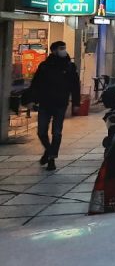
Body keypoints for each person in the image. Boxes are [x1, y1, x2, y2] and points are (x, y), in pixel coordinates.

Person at [29, 41, 81, 171]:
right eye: (61, 48)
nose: (64, 50)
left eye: (64, 48)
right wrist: (32, 100)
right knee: (41, 131)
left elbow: (75, 86)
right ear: (53, 51)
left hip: (60, 103)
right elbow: (36, 84)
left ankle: (51, 158)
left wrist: (76, 103)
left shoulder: (69, 66)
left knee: (56, 133)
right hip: (45, 103)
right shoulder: (45, 66)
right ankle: (49, 150)